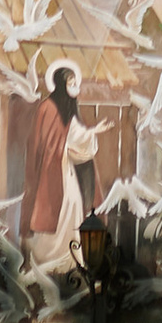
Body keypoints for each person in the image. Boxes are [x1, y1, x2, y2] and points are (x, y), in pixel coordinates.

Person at [19, 61, 100, 269]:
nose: (75, 86)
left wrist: (91, 133)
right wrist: (84, 136)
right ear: (61, 84)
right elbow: (46, 143)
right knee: (53, 210)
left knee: (73, 206)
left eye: (75, 82)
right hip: (50, 172)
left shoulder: (69, 108)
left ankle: (69, 260)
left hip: (67, 171)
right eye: (71, 82)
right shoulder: (47, 108)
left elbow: (75, 136)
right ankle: (43, 260)